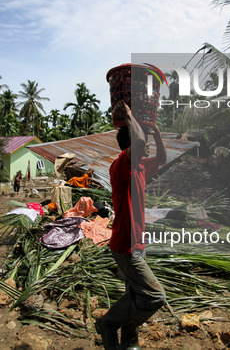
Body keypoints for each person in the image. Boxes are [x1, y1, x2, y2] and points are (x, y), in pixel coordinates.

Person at [96, 101, 167, 350]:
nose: (145, 145)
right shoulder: (120, 166)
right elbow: (138, 142)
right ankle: (107, 323)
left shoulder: (139, 166)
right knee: (154, 296)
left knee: (135, 293)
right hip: (125, 247)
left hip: (138, 243)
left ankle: (129, 339)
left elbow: (162, 158)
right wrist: (128, 116)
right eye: (143, 140)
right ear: (130, 144)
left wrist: (156, 134)